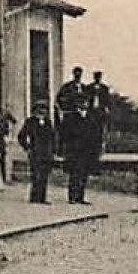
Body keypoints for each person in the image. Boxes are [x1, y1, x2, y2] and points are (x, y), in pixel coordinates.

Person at [56, 67, 90, 204]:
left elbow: (93, 133)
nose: (83, 105)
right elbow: (65, 133)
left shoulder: (90, 117)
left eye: (84, 103)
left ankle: (81, 196)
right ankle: (72, 197)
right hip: (74, 149)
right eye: (80, 103)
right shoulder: (70, 117)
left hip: (86, 149)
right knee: (74, 173)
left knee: (83, 173)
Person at [17, 101, 58, 204]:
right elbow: (21, 136)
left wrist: (53, 150)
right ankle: (34, 197)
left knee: (45, 175)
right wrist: (27, 147)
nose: (42, 111)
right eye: (40, 109)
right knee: (36, 175)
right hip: (35, 152)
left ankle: (42, 197)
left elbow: (53, 137)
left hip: (47, 152)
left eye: (44, 109)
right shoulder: (30, 122)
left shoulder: (48, 122)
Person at [84, 71, 112, 173]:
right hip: (91, 114)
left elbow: (107, 102)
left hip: (100, 115)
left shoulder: (104, 88)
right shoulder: (88, 88)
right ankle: (91, 162)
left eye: (99, 77)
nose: (97, 78)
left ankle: (97, 160)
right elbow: (85, 100)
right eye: (96, 77)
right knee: (90, 138)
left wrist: (106, 111)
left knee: (99, 137)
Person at [0, 107, 17, 185]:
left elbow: (13, 126)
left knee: (6, 160)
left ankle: (7, 177)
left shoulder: (9, 125)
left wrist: (10, 137)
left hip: (5, 140)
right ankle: (0, 178)